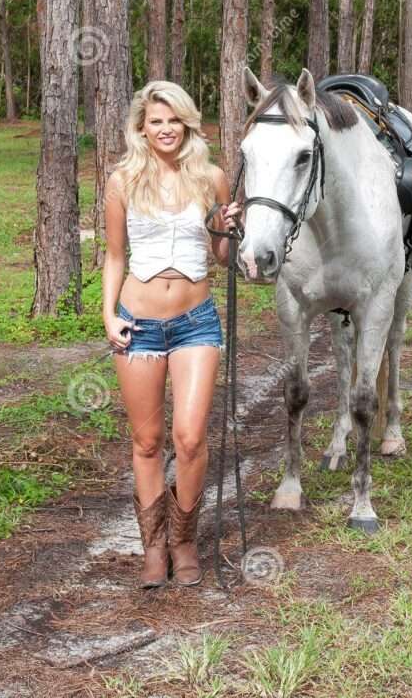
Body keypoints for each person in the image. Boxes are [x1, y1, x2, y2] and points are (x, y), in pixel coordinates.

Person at [102, 80, 243, 588]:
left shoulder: (211, 178)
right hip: (137, 323)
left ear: (187, 124)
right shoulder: (123, 181)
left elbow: (221, 257)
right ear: (142, 128)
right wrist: (108, 315)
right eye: (156, 122)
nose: (165, 130)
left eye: (173, 121)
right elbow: (114, 256)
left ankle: (184, 541)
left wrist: (227, 229)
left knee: (189, 437)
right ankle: (153, 547)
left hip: (195, 323)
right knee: (147, 440)